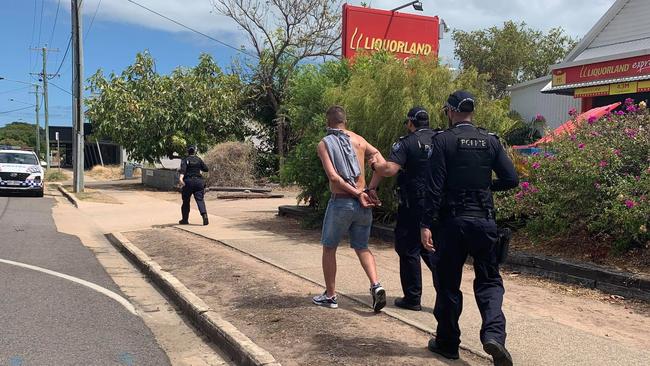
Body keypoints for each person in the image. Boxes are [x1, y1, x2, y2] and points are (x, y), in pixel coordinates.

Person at [418, 91, 518, 366]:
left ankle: (448, 343)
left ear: (450, 112)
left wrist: (426, 224)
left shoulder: (442, 141)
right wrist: (486, 187)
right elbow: (511, 179)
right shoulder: (491, 141)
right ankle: (494, 335)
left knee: (448, 283)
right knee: (489, 280)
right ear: (472, 112)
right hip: (484, 221)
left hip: (451, 224)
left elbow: (434, 187)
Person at [312, 105, 387, 313]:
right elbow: (380, 161)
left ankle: (330, 295)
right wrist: (370, 188)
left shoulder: (324, 144)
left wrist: (357, 193)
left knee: (329, 247)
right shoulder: (360, 140)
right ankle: (376, 284)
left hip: (342, 201)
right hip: (363, 205)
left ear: (328, 122)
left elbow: (334, 177)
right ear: (345, 121)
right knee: (362, 247)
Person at [367, 106, 438, 311]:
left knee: (408, 249)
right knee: (432, 247)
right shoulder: (440, 139)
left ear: (410, 123)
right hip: (436, 203)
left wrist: (374, 166)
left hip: (412, 203)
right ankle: (445, 293)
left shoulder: (406, 143)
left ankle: (412, 298)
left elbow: (389, 169)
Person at [178, 145, 209, 226]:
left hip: (188, 182)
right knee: (200, 200)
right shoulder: (198, 159)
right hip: (199, 182)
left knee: (186, 201)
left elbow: (183, 170)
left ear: (188, 151)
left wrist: (181, 179)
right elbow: (206, 169)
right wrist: (199, 168)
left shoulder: (185, 160)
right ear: (194, 151)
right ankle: (204, 215)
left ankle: (185, 220)